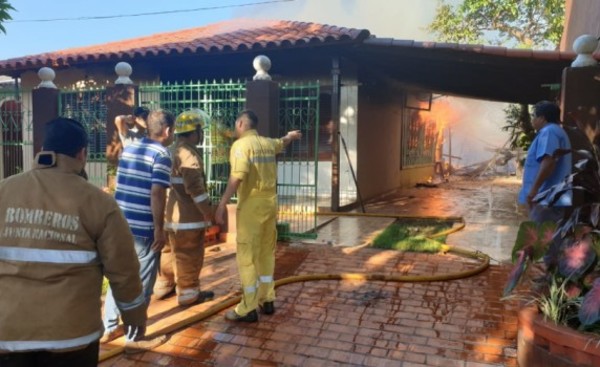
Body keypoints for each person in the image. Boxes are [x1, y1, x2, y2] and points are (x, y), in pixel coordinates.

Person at [0, 118, 147, 367]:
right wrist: (133, 314)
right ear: (82, 153)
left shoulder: (4, 191)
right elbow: (123, 269)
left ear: (43, 150)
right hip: (72, 337)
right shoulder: (99, 203)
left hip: (8, 334)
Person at [215, 110, 302, 322]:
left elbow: (238, 176)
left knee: (247, 257)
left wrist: (221, 203)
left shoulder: (241, 146)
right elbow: (281, 142)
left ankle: (248, 308)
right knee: (266, 253)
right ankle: (267, 299)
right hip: (270, 204)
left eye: (236, 125)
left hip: (251, 207)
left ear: (241, 123)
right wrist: (291, 136)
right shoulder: (265, 143)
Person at [102, 109, 175, 348]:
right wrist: (159, 228)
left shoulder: (131, 146)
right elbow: (157, 192)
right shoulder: (162, 154)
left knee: (119, 277)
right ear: (167, 131)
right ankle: (135, 337)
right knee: (141, 283)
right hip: (143, 230)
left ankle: (110, 328)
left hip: (120, 225)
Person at [154, 109, 215, 306]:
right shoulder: (189, 154)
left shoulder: (170, 150)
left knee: (168, 252)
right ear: (195, 131)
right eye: (201, 130)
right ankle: (188, 294)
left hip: (168, 216)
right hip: (187, 220)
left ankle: (164, 285)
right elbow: (196, 189)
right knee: (188, 254)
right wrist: (209, 212)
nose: (202, 134)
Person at [518, 101, 572, 223]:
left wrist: (534, 190)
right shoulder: (556, 131)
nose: (532, 120)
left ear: (542, 118)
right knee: (547, 237)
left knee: (542, 238)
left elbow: (549, 162)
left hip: (544, 198)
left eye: (534, 116)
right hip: (549, 198)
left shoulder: (549, 132)